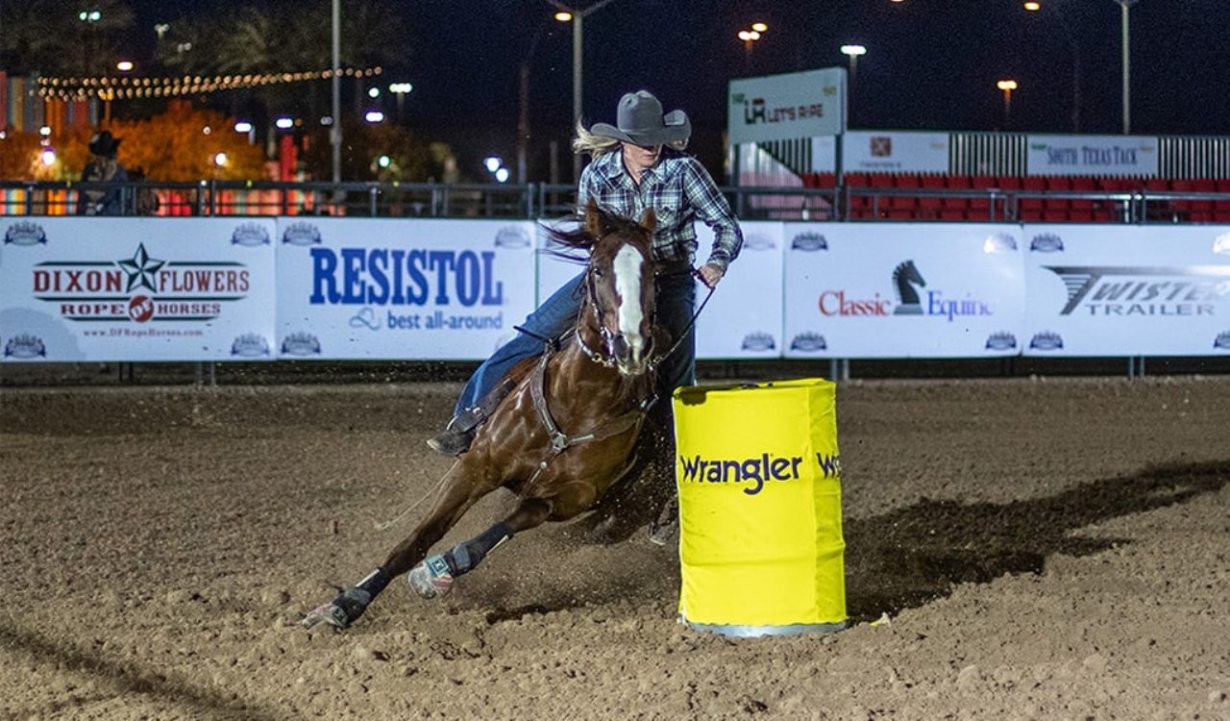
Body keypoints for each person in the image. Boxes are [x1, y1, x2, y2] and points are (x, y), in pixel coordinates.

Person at [428, 89, 743, 457]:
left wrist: (717, 261)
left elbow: (727, 225)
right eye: (642, 141)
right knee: (533, 333)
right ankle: (465, 422)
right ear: (623, 141)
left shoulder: (685, 171)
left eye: (656, 139)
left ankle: (674, 464)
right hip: (608, 281)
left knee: (676, 374)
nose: (651, 147)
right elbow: (589, 235)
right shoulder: (598, 174)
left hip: (667, 280)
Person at [77, 130, 129, 216]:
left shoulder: (118, 172)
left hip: (107, 216)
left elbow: (122, 200)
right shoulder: (119, 171)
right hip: (105, 215)